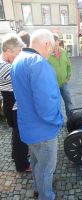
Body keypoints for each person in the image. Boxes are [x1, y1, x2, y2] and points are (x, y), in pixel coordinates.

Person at [11, 29, 64, 199]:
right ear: (47, 44)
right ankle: (46, 196)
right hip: (44, 129)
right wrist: (58, 121)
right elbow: (46, 103)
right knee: (46, 168)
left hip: (28, 126)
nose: (53, 51)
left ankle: (37, 188)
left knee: (35, 163)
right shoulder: (38, 63)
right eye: (53, 47)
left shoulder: (18, 59)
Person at [0, 33, 30, 171]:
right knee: (20, 135)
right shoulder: (6, 67)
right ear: (8, 51)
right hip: (14, 106)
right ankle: (22, 164)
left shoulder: (4, 64)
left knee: (16, 133)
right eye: (17, 53)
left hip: (9, 104)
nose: (19, 57)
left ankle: (16, 156)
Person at [48, 33, 73, 119]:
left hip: (64, 83)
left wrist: (68, 77)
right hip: (52, 85)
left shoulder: (63, 51)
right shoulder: (47, 55)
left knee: (68, 102)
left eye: (57, 42)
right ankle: (58, 121)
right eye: (53, 43)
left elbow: (69, 65)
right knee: (56, 103)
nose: (55, 45)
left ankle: (71, 119)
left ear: (58, 42)